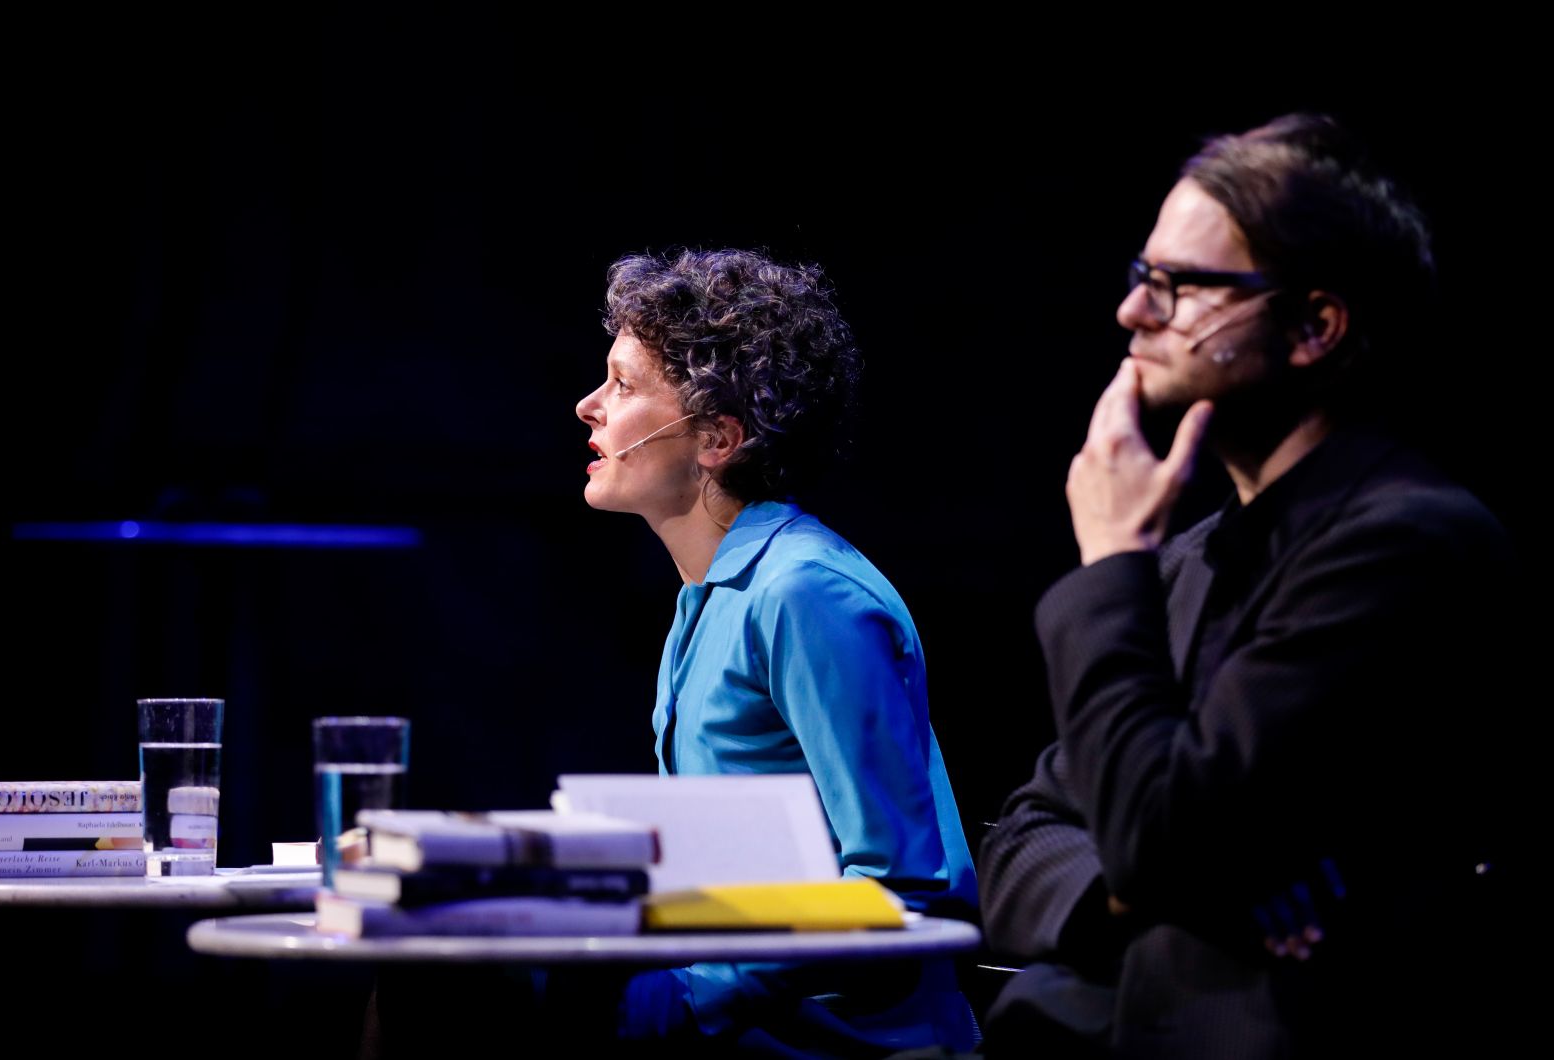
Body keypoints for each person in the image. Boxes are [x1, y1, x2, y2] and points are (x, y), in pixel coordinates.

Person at [977, 114, 1519, 1057]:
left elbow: (1160, 837)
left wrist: (1112, 560)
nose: (1133, 313)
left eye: (1180, 286)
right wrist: (1133, 893)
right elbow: (1022, 838)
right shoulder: (1190, 558)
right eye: (1142, 277)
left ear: (1314, 326)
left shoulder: (1406, 544)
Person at [572, 248, 979, 1054]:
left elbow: (906, 885)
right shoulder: (709, 595)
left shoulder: (805, 593)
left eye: (622, 385)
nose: (589, 406)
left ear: (717, 438)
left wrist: (693, 997)